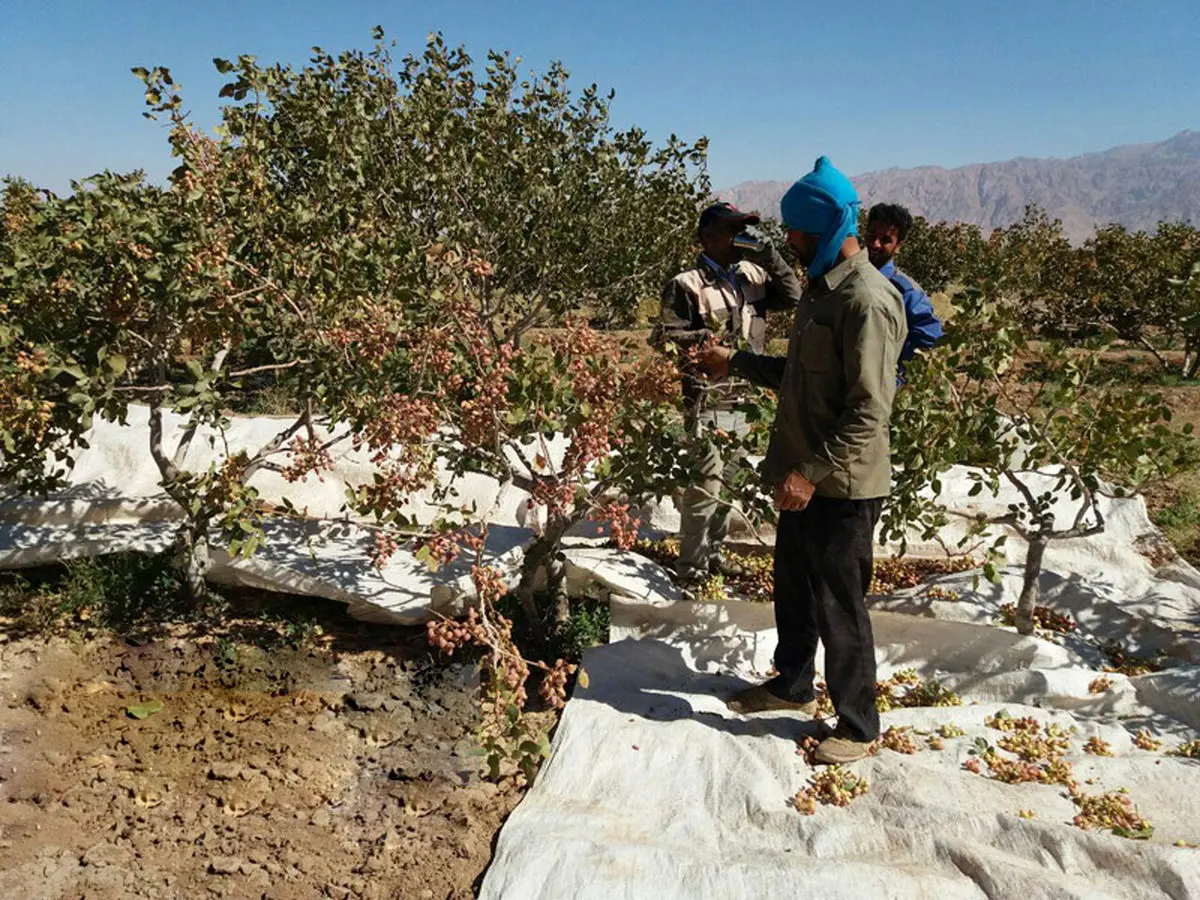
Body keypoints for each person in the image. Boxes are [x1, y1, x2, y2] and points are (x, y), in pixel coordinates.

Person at [697, 158, 907, 765]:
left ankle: (858, 726)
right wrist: (733, 362)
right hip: (802, 479)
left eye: (799, 234)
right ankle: (792, 683)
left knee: (840, 603)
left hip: (838, 484)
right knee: (793, 587)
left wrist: (809, 473)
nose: (788, 243)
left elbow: (869, 410)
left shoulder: (866, 301)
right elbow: (799, 378)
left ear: (831, 226)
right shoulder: (820, 292)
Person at [652, 202, 803, 587]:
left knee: (731, 482)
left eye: (743, 230)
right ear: (706, 235)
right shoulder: (687, 284)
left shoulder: (753, 275)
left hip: (745, 399)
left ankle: (714, 555)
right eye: (731, 229)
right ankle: (691, 569)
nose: (739, 238)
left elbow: (794, 296)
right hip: (707, 398)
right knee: (706, 484)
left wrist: (772, 257)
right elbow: (663, 337)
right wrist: (705, 340)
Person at [863, 203, 943, 368]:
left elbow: (930, 340)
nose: (875, 244)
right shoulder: (849, 277)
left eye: (885, 240)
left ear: (898, 246)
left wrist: (894, 376)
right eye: (871, 235)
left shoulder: (906, 292)